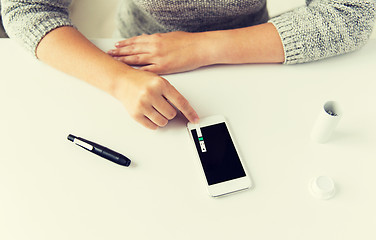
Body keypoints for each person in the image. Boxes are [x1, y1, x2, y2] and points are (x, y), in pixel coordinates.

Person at [1, 0, 375, 129]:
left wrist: (203, 47)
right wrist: (118, 81)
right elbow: (26, 8)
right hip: (138, 58)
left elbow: (355, 12)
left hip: (254, 57)